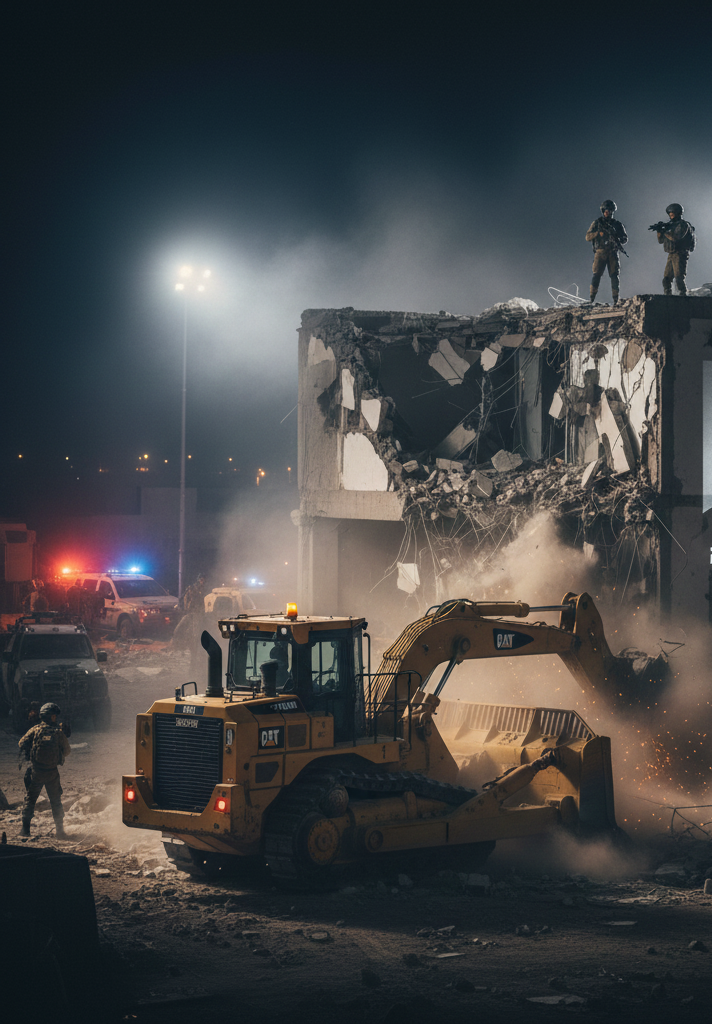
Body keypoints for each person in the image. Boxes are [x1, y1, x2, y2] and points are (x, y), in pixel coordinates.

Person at [18, 702, 71, 840]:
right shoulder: (58, 732)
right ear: (51, 717)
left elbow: (21, 743)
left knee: (30, 800)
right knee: (56, 802)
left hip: (36, 772)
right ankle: (60, 832)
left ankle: (25, 830)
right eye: (54, 716)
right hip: (52, 773)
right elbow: (67, 751)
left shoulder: (35, 729)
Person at [585, 200, 628, 304]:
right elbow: (588, 237)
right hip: (600, 252)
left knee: (614, 275)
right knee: (596, 275)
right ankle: (591, 299)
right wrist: (598, 234)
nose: (607, 212)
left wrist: (617, 237)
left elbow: (625, 239)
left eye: (609, 210)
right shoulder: (597, 223)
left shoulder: (617, 225)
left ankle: (615, 299)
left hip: (613, 252)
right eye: (605, 210)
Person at [656, 203, 696, 296]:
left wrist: (665, 231)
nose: (671, 215)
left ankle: (683, 295)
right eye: (670, 213)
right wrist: (659, 231)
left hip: (680, 253)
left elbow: (676, 237)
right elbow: (661, 241)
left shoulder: (683, 225)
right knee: (666, 278)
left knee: (679, 277)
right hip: (671, 253)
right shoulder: (670, 225)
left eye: (672, 213)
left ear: (678, 213)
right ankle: (668, 295)